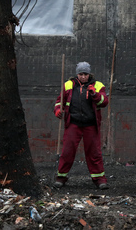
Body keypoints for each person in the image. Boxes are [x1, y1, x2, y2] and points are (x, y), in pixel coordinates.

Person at [54, 61, 110, 189]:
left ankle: (100, 179)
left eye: (85, 74)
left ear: (89, 74)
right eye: (81, 74)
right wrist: (57, 110)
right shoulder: (68, 85)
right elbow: (59, 102)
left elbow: (104, 102)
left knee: (94, 152)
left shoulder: (98, 85)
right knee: (67, 151)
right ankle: (61, 177)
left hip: (91, 125)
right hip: (73, 124)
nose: (83, 76)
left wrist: (94, 94)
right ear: (77, 74)